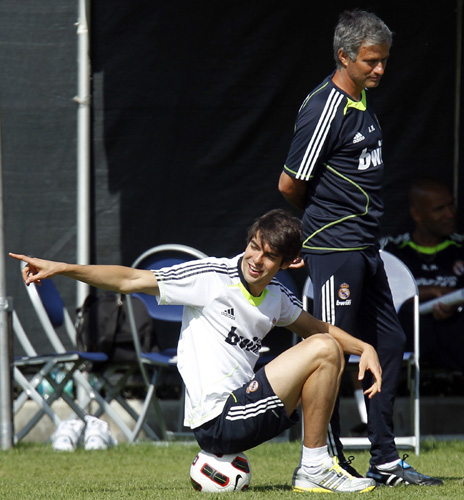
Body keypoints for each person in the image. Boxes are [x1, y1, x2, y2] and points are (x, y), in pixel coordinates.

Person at [11, 209, 382, 493]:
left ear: (290, 263)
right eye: (254, 245)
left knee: (325, 344)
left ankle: (315, 465)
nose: (256, 259)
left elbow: (318, 327)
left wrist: (365, 347)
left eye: (269, 256)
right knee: (323, 349)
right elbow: (130, 279)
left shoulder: (277, 297)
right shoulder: (210, 277)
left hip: (249, 411)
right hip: (217, 420)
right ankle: (315, 467)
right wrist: (62, 268)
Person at [278, 9, 443, 486]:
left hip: (366, 248)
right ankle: (320, 463)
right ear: (344, 56)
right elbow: (290, 184)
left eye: (385, 60)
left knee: (389, 344)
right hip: (334, 248)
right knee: (328, 352)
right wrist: (327, 224)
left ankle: (386, 460)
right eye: (371, 61)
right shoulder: (324, 107)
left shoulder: (363, 98)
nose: (380, 70)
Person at [381, 177, 464, 374]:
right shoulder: (391, 250)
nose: (450, 213)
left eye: (451, 205)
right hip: (408, 337)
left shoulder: (461, 247)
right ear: (417, 214)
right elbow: (377, 294)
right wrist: (431, 292)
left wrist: (454, 304)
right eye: (439, 209)